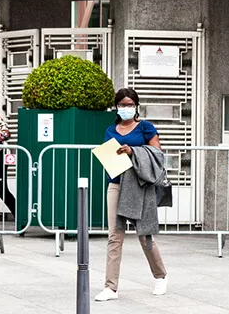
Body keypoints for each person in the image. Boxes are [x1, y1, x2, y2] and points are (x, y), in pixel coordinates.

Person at [95, 88, 168, 302]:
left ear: (136, 106)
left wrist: (133, 151)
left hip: (140, 186)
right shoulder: (111, 129)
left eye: (130, 104)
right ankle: (110, 287)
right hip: (116, 183)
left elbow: (158, 155)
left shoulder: (146, 127)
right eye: (122, 104)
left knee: (144, 235)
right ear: (116, 106)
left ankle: (160, 276)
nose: (126, 108)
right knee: (114, 236)